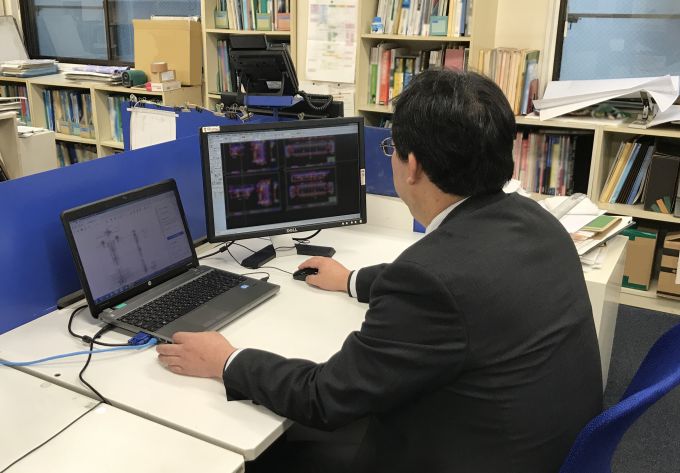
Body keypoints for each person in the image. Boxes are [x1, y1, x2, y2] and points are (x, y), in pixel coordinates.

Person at [156, 69, 603, 473]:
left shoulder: (430, 280)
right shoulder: (535, 220)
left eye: (392, 148)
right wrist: (352, 280)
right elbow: (465, 279)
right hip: (541, 446)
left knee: (270, 450)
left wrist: (226, 361)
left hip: (465, 453)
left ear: (413, 166)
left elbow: (324, 397)